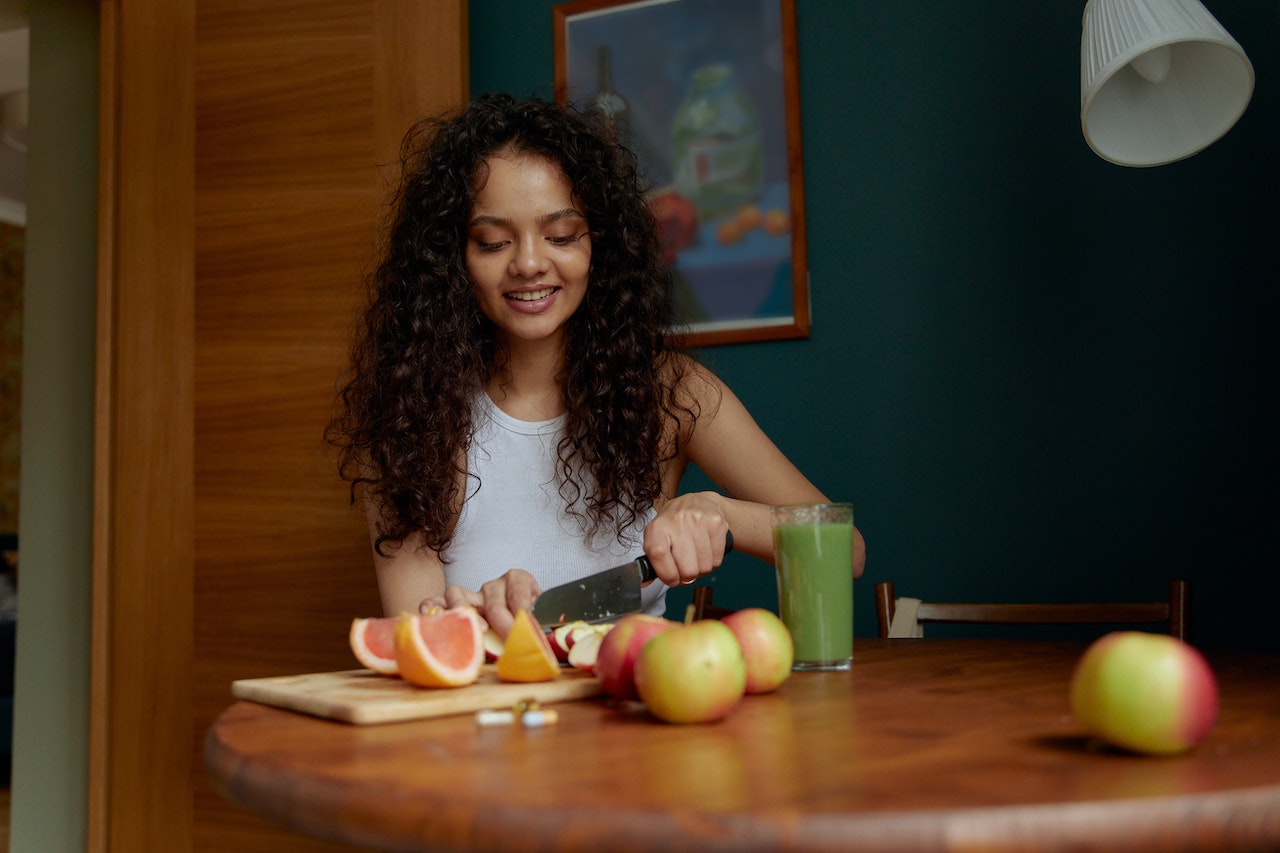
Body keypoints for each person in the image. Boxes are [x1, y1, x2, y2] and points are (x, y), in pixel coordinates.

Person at [328, 93, 865, 637]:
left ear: (599, 246)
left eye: (560, 236)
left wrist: (724, 516)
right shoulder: (411, 418)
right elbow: (421, 640)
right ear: (452, 260)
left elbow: (847, 553)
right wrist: (475, 624)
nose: (531, 263)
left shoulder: (672, 392)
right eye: (492, 243)